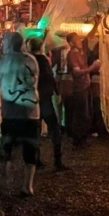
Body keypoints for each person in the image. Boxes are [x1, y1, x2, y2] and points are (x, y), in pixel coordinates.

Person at [0, 33, 41, 196]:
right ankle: (27, 185)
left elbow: (0, 81)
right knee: (30, 150)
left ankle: (7, 183)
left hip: (10, 111)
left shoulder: (4, 60)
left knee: (8, 149)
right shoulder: (31, 59)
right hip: (31, 111)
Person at [28, 36, 65, 170]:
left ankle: (35, 160)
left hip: (33, 98)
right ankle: (57, 160)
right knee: (54, 129)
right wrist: (57, 92)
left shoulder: (28, 60)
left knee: (35, 130)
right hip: (45, 99)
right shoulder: (42, 60)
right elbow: (50, 77)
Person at [60, 33, 99, 144]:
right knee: (81, 114)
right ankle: (78, 139)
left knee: (87, 113)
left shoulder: (82, 52)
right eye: (77, 40)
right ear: (71, 43)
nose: (80, 41)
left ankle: (82, 138)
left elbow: (88, 38)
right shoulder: (72, 55)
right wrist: (92, 68)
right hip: (79, 88)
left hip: (86, 86)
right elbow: (77, 73)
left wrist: (96, 24)